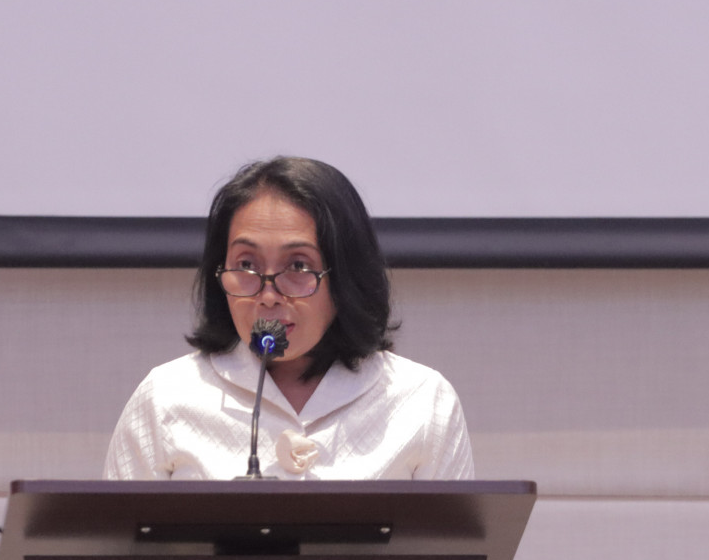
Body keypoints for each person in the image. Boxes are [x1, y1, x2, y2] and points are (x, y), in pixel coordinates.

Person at [104, 156, 474, 481]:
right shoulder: (167, 398)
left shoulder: (421, 401)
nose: (268, 296)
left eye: (298, 266)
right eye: (245, 264)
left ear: (345, 276)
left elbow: (454, 542)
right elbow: (115, 540)